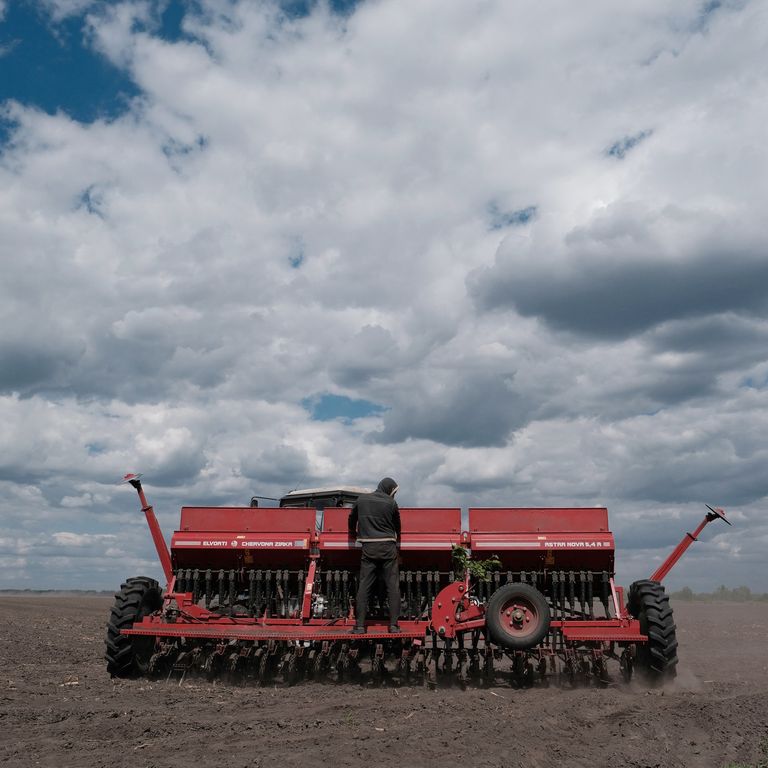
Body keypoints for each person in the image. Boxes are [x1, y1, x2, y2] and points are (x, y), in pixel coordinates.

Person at [348, 477, 401, 633]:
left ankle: (359, 626)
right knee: (393, 587)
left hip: (368, 547)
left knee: (364, 586)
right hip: (388, 547)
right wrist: (398, 537)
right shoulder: (391, 503)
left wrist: (353, 532)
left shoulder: (362, 499)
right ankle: (393, 625)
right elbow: (398, 525)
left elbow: (352, 518)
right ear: (389, 489)